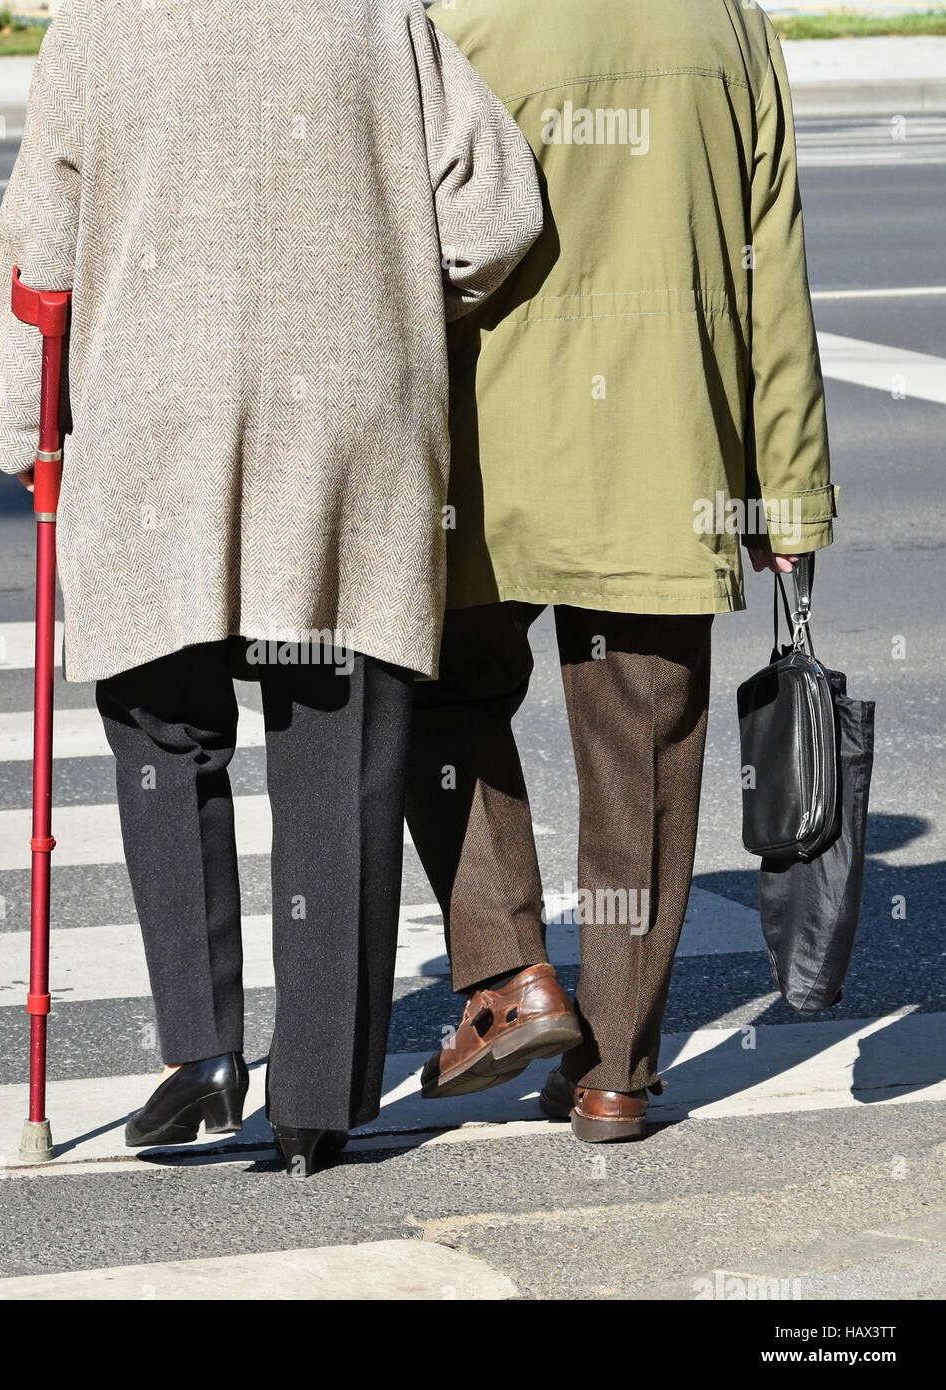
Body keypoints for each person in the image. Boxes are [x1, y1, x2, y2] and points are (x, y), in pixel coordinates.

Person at [0, 0, 543, 1176]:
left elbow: (40, 259)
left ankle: (199, 1047)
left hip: (158, 420)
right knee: (335, 741)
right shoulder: (376, 10)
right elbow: (495, 211)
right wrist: (395, 295)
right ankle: (314, 1100)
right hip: (344, 417)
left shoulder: (97, 22)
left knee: (161, 721)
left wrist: (23, 429)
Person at [407, 0, 837, 1141]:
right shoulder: (730, 22)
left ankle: (508, 975)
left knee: (436, 705)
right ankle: (613, 1073)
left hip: (482, 443)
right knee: (639, 757)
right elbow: (770, 269)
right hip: (666, 448)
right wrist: (784, 488)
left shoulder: (453, 11)